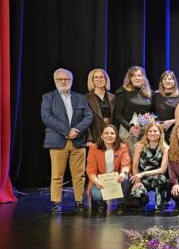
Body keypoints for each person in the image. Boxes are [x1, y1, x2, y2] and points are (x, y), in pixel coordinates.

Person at [41, 68, 93, 213]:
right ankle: (56, 202)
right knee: (57, 175)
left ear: (71, 81)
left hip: (78, 140)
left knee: (79, 175)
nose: (64, 82)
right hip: (58, 141)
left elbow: (88, 116)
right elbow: (47, 117)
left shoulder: (80, 98)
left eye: (67, 79)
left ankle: (79, 202)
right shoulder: (48, 97)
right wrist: (67, 130)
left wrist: (76, 130)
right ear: (55, 81)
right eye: (60, 79)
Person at [86, 125, 131, 214]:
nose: (109, 135)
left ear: (116, 136)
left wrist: (122, 173)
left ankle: (121, 203)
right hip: (100, 180)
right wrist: (96, 182)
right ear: (102, 136)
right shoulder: (94, 148)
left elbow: (126, 163)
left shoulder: (123, 147)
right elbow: (90, 169)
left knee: (125, 178)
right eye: (106, 133)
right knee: (97, 195)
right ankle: (102, 203)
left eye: (112, 133)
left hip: (116, 179)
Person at [129, 122, 169, 214]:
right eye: (150, 131)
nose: (152, 133)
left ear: (160, 133)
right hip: (141, 178)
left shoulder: (165, 148)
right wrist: (137, 181)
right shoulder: (139, 146)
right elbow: (134, 166)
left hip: (157, 177)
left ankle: (159, 206)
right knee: (136, 195)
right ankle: (144, 200)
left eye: (155, 131)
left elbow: (163, 169)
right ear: (146, 134)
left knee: (161, 179)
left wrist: (143, 173)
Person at [113, 66, 153, 154]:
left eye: (139, 75)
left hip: (145, 132)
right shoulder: (122, 91)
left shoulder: (149, 93)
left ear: (144, 77)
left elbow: (152, 113)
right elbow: (118, 114)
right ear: (130, 78)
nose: (137, 78)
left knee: (144, 159)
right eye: (134, 76)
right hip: (128, 131)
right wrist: (130, 128)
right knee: (130, 159)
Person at [85, 68, 115, 147]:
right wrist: (89, 139)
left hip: (111, 134)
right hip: (95, 134)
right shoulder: (86, 98)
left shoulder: (113, 97)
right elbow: (84, 120)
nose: (99, 79)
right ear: (92, 80)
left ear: (106, 79)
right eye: (96, 77)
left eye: (102, 77)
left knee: (111, 158)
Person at [154, 70, 179, 142]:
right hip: (158, 130)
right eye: (165, 79)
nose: (167, 81)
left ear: (174, 81)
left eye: (170, 79)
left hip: (174, 130)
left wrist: (171, 121)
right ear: (162, 82)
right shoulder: (156, 95)